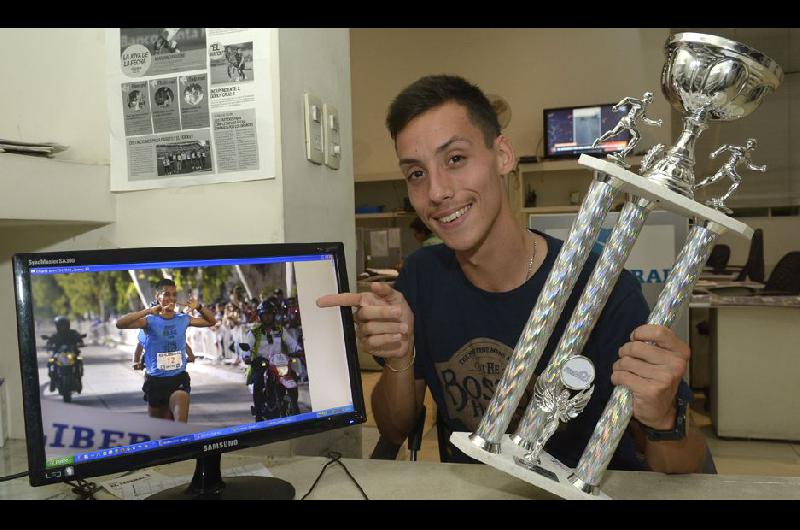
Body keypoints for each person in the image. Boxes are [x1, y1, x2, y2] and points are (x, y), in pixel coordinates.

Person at [317, 75, 708, 473]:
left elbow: (683, 470)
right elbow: (395, 428)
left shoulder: (601, 290)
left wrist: (663, 418)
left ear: (502, 155)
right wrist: (400, 356)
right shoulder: (422, 275)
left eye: (455, 159)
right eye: (416, 173)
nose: (436, 192)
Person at [116, 278, 215, 422]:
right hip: (155, 382)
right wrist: (148, 310)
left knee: (180, 424)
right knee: (159, 433)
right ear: (158, 297)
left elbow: (211, 321)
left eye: (174, 295)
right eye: (167, 294)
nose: (172, 298)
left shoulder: (183, 319)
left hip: (178, 379)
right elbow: (120, 324)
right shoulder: (149, 321)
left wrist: (199, 306)